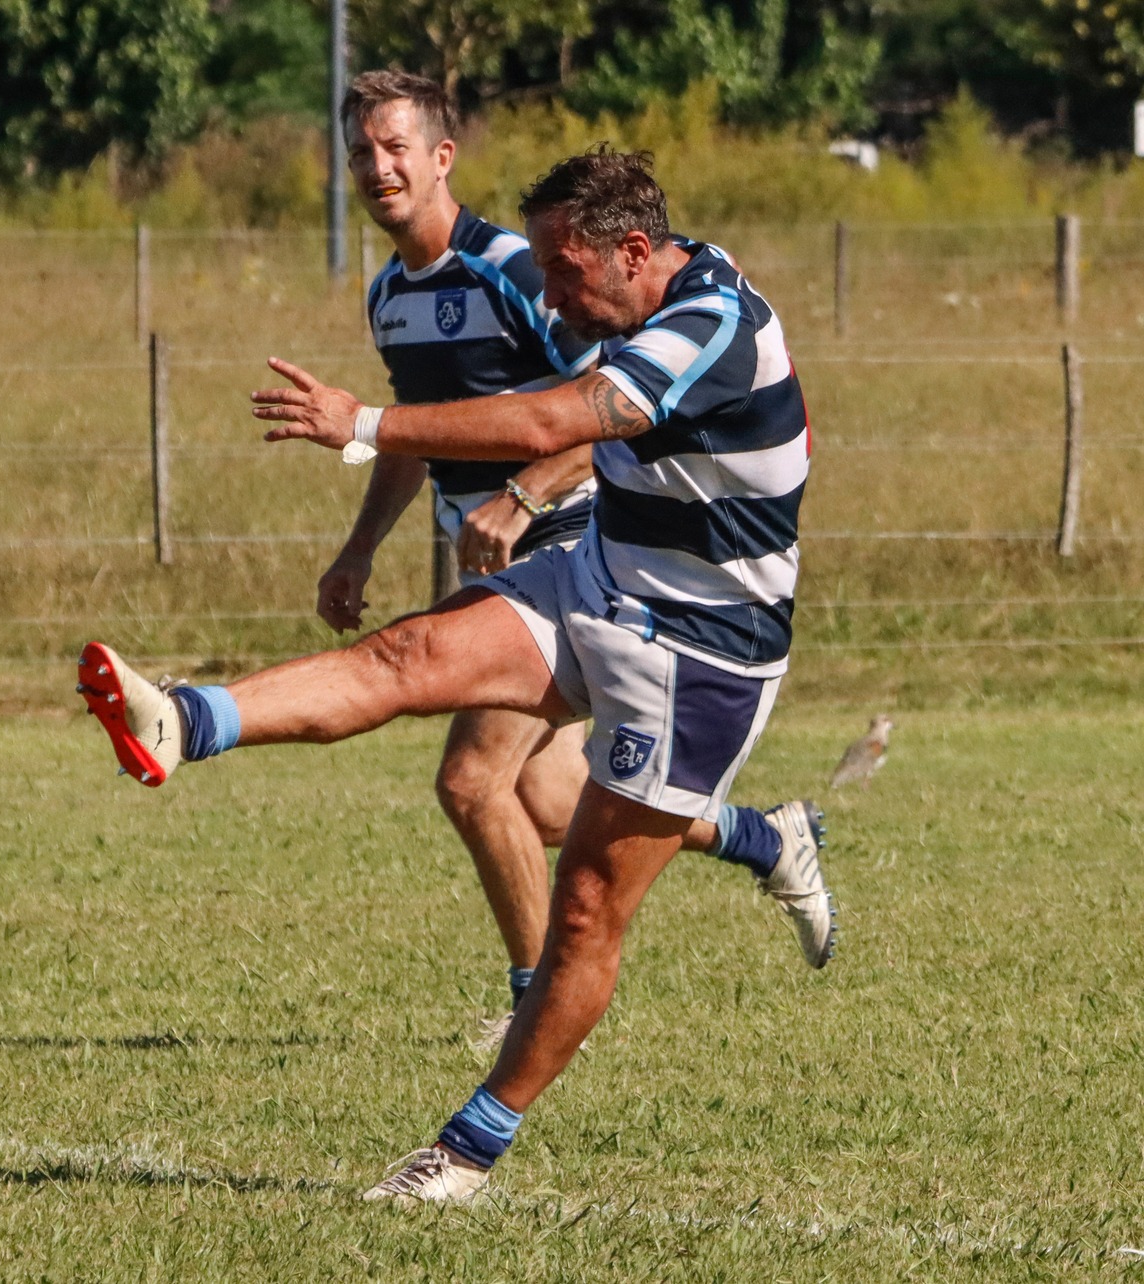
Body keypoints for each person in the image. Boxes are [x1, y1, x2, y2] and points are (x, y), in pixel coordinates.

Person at [79, 146, 817, 1203]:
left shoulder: (707, 323)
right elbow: (585, 416)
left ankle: (466, 1152)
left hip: (702, 655)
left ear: (636, 252)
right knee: (408, 652)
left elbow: (550, 419)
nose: (552, 297)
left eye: (565, 274)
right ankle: (182, 721)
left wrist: (361, 426)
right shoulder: (660, 291)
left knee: (584, 912)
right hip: (602, 579)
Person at [322, 72, 833, 1044]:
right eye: (359, 152)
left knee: (470, 782)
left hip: (577, 534)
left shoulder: (522, 265)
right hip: (495, 552)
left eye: (394, 146)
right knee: (554, 802)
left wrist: (522, 497)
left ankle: (527, 998)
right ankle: (765, 837)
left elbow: (597, 403)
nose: (376, 167)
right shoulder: (389, 292)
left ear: (440, 158)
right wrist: (356, 550)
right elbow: (422, 442)